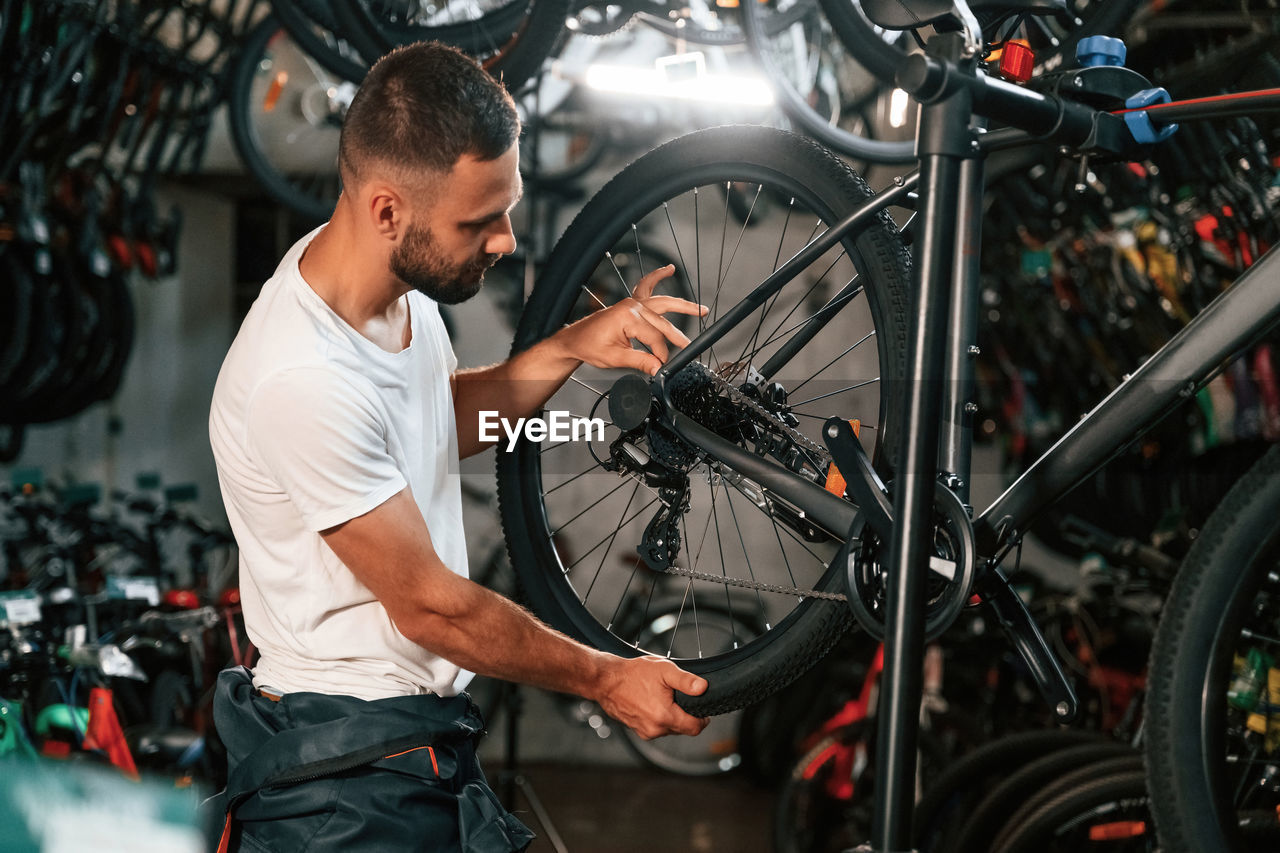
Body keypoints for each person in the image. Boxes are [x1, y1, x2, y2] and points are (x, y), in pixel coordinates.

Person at [206, 41, 711, 853]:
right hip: (342, 787)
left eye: (504, 207)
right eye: (479, 222)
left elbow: (428, 422)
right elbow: (431, 605)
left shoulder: (393, 292)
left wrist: (570, 346)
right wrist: (607, 677)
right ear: (386, 211)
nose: (506, 240)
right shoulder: (298, 375)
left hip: (405, 743)